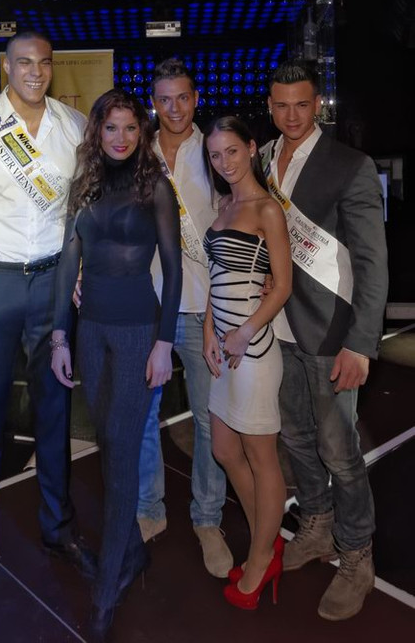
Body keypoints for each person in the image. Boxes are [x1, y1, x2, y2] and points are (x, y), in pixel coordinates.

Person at [0, 31, 94, 622]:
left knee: (56, 412)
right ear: (4, 66)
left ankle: (58, 529)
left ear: (53, 68)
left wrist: (81, 272)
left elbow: (83, 209)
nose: (34, 72)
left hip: (54, 283)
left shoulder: (74, 127)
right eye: (23, 62)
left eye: (44, 63)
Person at [51, 88, 182, 641]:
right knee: (109, 442)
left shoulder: (156, 187)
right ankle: (132, 551)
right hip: (91, 332)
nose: (121, 138)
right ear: (97, 132)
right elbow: (68, 262)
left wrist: (164, 343)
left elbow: (173, 269)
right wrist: (60, 335)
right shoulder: (84, 184)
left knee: (123, 452)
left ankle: (106, 589)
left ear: (141, 132)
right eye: (111, 128)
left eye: (131, 128)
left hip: (136, 334)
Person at [263, 61, 388, 620]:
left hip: (332, 334)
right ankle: (316, 523)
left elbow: (372, 262)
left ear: (318, 105)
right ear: (270, 106)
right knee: (294, 438)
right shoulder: (264, 159)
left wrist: (361, 344)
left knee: (340, 451)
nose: (292, 115)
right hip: (278, 328)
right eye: (281, 105)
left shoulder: (350, 166)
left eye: (302, 104)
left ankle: (357, 554)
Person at [136, 58, 234, 578]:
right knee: (142, 417)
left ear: (196, 99)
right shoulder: (137, 150)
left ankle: (207, 518)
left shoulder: (215, 150)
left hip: (203, 308)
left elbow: (235, 225)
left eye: (182, 98)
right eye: (164, 99)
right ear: (154, 103)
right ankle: (148, 508)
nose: (174, 108)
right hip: (147, 307)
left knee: (207, 420)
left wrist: (224, 309)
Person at [201, 116, 292, 610]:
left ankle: (260, 561)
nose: (224, 162)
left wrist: (242, 332)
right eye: (215, 155)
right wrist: (209, 331)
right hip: (224, 350)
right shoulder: (224, 205)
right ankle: (266, 541)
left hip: (254, 353)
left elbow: (282, 287)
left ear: (252, 148)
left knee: (261, 457)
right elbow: (216, 276)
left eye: (232, 151)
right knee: (224, 449)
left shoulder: (267, 210)